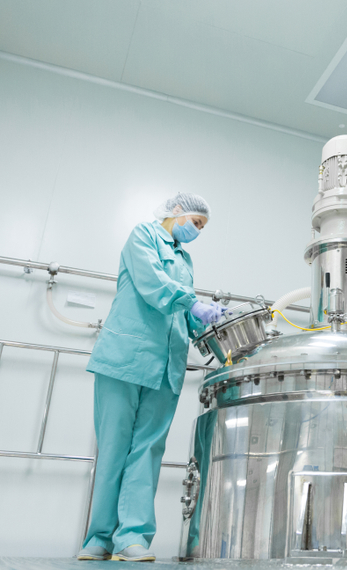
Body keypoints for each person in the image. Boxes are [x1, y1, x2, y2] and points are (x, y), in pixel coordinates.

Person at [78, 193, 224, 562]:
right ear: (177, 211)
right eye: (196, 222)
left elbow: (184, 310)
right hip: (125, 357)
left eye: (203, 228)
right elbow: (152, 283)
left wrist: (207, 320)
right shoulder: (142, 236)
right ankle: (98, 538)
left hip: (166, 366)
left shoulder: (185, 260)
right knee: (113, 447)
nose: (197, 231)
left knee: (147, 452)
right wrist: (191, 303)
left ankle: (132, 539)